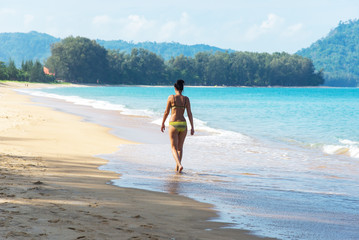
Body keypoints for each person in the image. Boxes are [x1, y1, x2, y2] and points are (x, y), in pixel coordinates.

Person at [161, 79, 194, 173]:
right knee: (180, 148)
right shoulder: (186, 99)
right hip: (183, 124)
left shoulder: (171, 98)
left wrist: (163, 123)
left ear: (175, 87)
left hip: (174, 123)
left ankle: (179, 165)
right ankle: (177, 169)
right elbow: (190, 113)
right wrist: (192, 127)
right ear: (182, 89)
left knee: (173, 148)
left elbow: (167, 112)